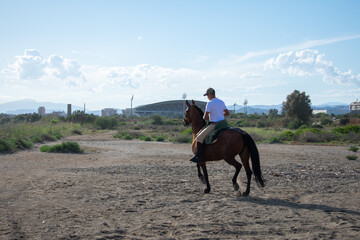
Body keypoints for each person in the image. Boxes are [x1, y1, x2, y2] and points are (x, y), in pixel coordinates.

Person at [190, 87, 230, 163]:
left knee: (198, 138)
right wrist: (219, 114)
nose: (207, 97)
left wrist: (205, 117)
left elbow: (205, 117)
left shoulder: (210, 103)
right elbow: (227, 113)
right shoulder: (221, 102)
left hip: (214, 125)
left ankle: (199, 157)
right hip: (223, 124)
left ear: (211, 94)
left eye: (207, 95)